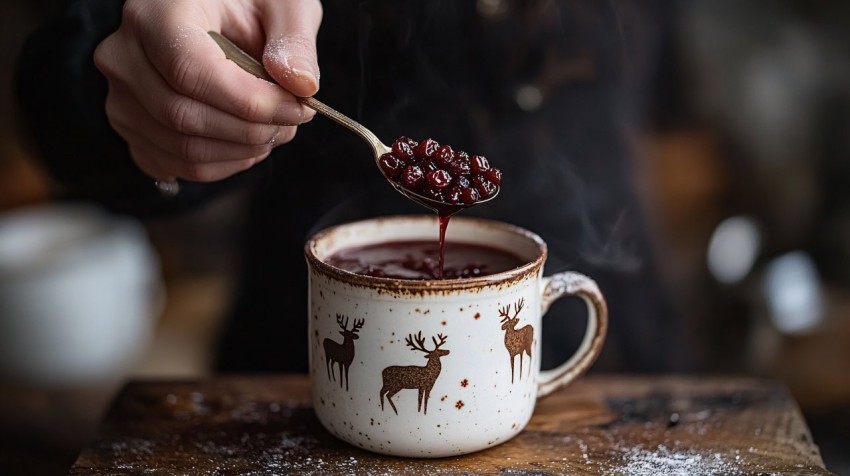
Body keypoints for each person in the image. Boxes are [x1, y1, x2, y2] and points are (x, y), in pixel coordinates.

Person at [16, 0, 689, 374]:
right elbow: (64, 69)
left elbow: (670, 84)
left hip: (617, 362)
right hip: (302, 376)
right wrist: (138, 107)